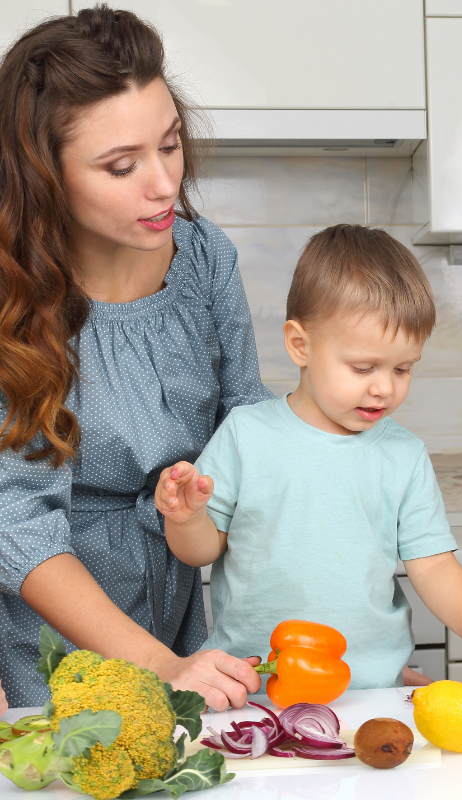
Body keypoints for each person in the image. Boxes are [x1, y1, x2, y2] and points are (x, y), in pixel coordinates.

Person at [0, 6, 273, 709]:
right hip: (47, 640)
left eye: (171, 144)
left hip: (176, 614)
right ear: (44, 174)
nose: (163, 184)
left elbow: (249, 427)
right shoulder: (14, 299)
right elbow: (18, 525)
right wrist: (158, 663)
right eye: (122, 165)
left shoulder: (206, 257)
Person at [155, 225, 462, 688]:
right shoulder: (245, 435)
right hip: (254, 686)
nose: (384, 387)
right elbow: (202, 551)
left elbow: (432, 564)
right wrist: (185, 518)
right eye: (363, 367)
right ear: (300, 345)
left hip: (371, 687)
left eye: (403, 369)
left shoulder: (404, 456)